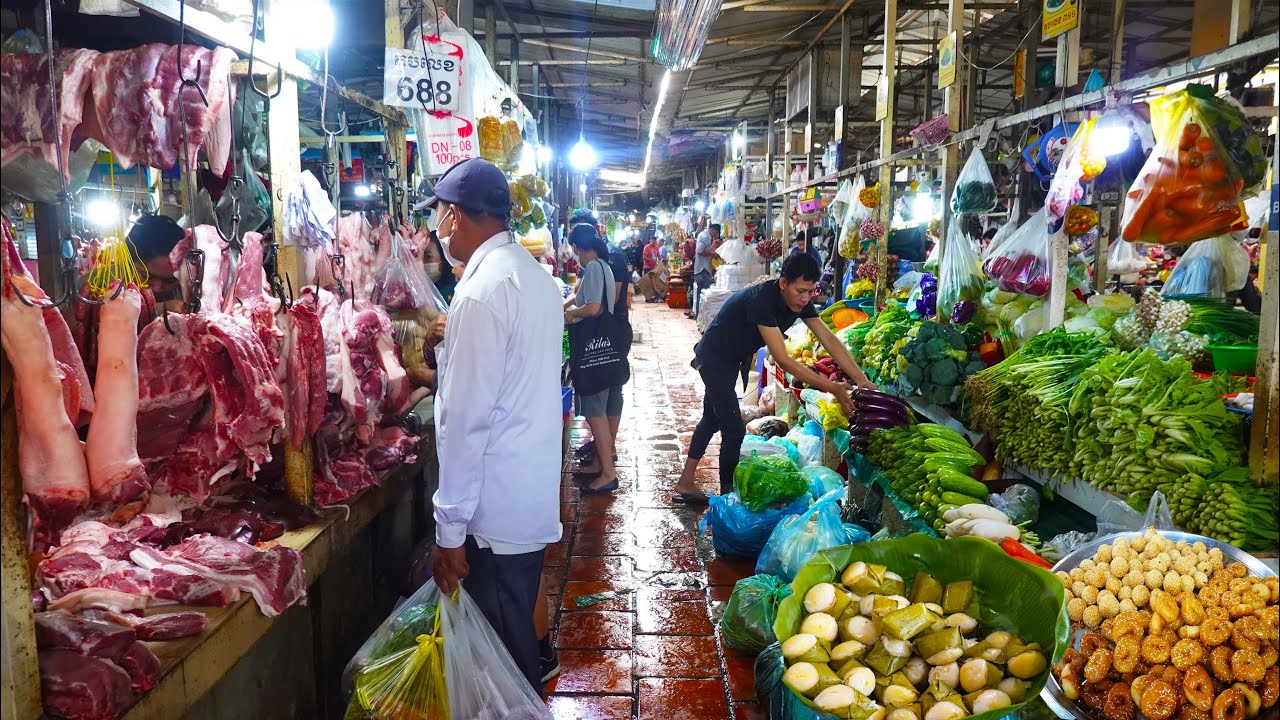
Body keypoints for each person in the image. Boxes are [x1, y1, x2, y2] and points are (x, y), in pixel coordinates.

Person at [425, 158, 564, 694]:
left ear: (456, 215)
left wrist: (449, 531)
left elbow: (463, 423)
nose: (437, 230)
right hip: (524, 495)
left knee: (503, 662)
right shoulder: (534, 278)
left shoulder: (481, 294)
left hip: (493, 511)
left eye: (438, 215)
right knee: (513, 643)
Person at [671, 254, 876, 503]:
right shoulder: (761, 301)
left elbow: (829, 339)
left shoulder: (800, 302)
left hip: (731, 357)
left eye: (810, 291)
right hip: (715, 358)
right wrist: (832, 387)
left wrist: (861, 380)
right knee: (733, 430)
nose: (805, 297)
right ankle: (727, 501)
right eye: (800, 290)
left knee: (712, 419)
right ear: (783, 283)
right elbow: (782, 358)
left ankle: (686, 483)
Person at [564, 224, 627, 495]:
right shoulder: (605, 265)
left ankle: (608, 474)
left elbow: (593, 308)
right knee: (611, 402)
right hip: (611, 348)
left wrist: (570, 314)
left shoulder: (591, 269)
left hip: (593, 351)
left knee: (594, 410)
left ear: (578, 247)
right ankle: (603, 462)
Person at [128, 213, 186, 305]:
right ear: (128, 263)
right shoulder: (100, 284)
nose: (156, 289)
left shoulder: (189, 291)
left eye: (170, 281)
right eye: (146, 276)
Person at [687, 223, 720, 320]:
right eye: (716, 232)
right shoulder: (705, 236)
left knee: (701, 294)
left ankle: (699, 316)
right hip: (702, 269)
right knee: (703, 294)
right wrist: (712, 255)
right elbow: (699, 251)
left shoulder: (705, 236)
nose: (716, 234)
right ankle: (699, 317)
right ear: (712, 229)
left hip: (702, 268)